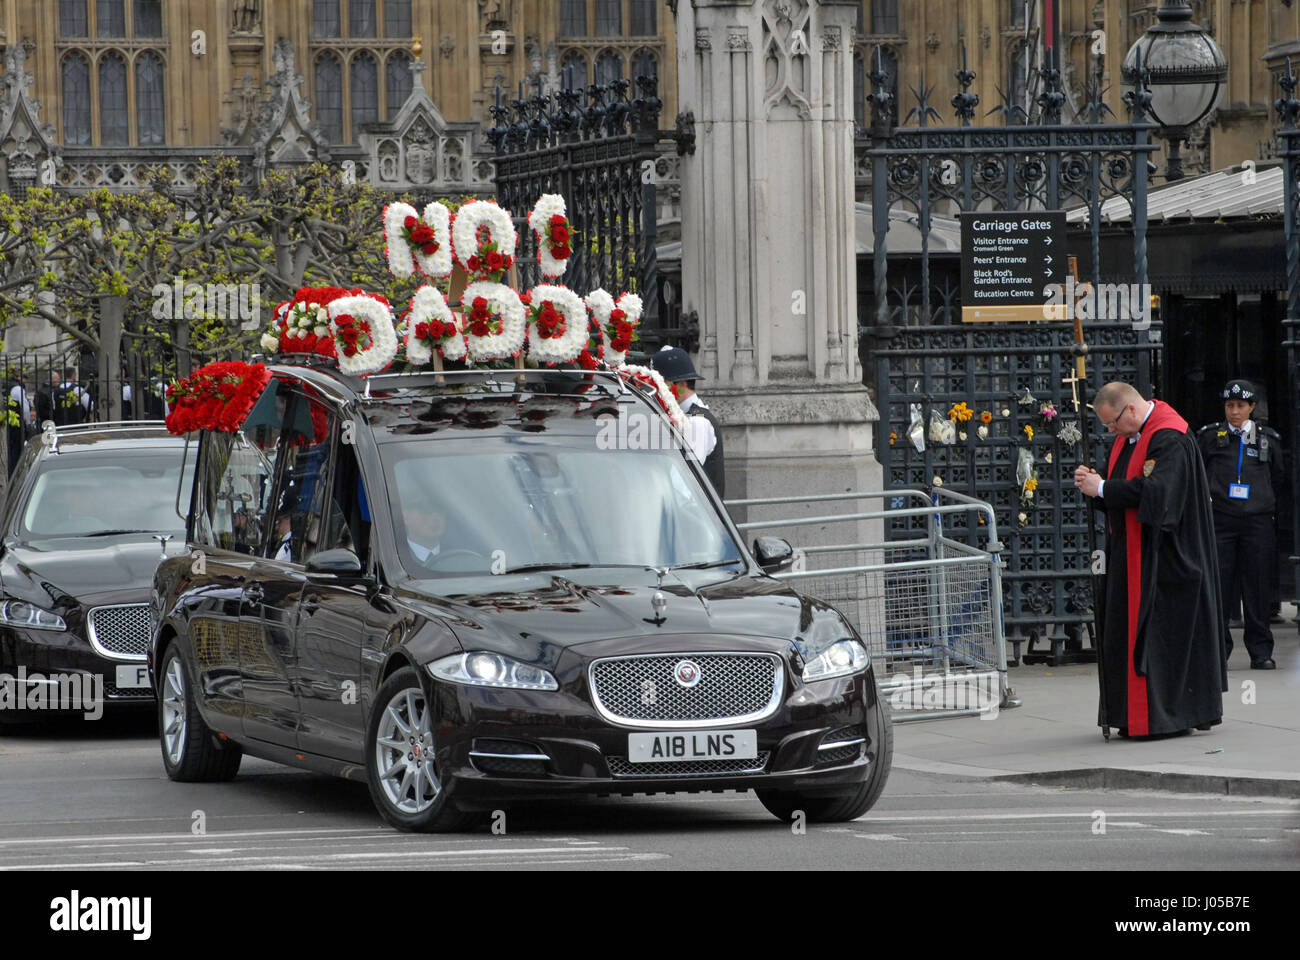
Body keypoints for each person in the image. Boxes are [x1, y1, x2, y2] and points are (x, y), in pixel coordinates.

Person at [1073, 381, 1226, 738]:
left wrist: (1103, 488)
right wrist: (1096, 487)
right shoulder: (1133, 437)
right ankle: (1131, 714)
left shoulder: (1169, 437)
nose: (1109, 431)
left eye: (1111, 423)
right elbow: (1127, 491)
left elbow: (1159, 494)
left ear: (1130, 409)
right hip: (1135, 554)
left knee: (1163, 640)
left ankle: (1166, 717)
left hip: (1167, 558)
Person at [1197, 380, 1286, 669]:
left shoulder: (1267, 439)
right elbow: (1200, 475)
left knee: (1257, 587)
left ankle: (1261, 650)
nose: (1234, 412)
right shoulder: (1211, 437)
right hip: (1221, 520)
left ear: (1251, 407)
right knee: (1220, 586)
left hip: (1257, 522)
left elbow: (1278, 478)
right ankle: (1217, 650)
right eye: (1229, 406)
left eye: (1240, 406)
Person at [649, 346, 725, 498]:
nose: (657, 393)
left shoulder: (697, 422)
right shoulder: (687, 416)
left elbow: (683, 486)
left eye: (662, 386)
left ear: (682, 385)